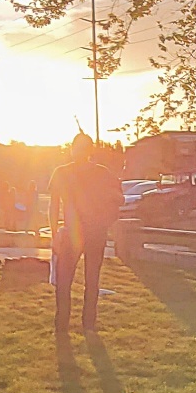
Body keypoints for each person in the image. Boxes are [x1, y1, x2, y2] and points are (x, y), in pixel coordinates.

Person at [46, 132, 124, 337]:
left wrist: (55, 234)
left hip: (86, 232)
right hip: (83, 232)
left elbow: (118, 198)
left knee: (76, 280)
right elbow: (53, 206)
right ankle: (79, 324)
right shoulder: (68, 172)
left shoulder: (94, 172)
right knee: (81, 280)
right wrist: (55, 234)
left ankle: (75, 324)